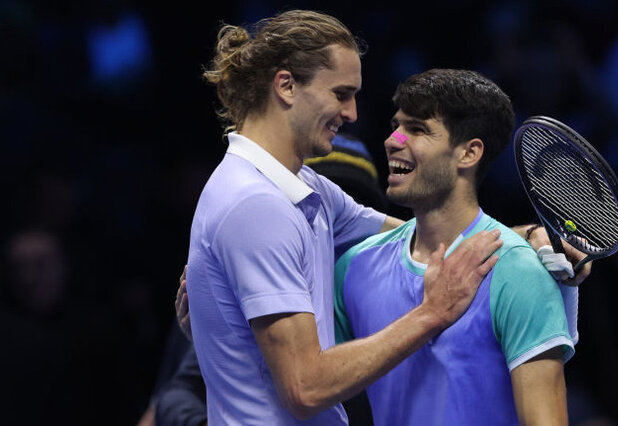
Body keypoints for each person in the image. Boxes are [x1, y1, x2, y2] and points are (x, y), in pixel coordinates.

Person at [186, 10, 504, 425]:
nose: (352, 113)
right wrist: (433, 312)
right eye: (341, 94)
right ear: (286, 86)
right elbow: (305, 388)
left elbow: (422, 235)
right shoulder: (256, 205)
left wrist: (521, 238)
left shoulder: (307, 187)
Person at [334, 69, 578, 425]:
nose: (392, 139)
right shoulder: (355, 265)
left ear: (468, 153)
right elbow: (318, 391)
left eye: (417, 129)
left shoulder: (517, 271)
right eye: (396, 125)